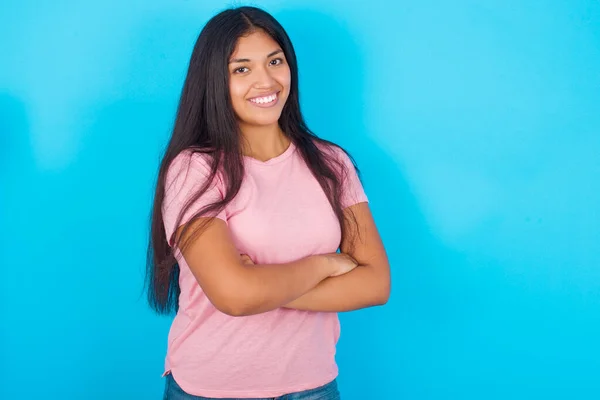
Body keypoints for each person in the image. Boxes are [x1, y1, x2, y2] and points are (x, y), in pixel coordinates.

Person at [146, 6, 391, 400]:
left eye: (275, 61)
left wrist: (260, 285)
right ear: (214, 81)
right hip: (210, 390)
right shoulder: (193, 170)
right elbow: (234, 296)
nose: (266, 81)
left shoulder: (332, 164)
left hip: (313, 386)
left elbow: (376, 284)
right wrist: (325, 265)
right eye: (241, 69)